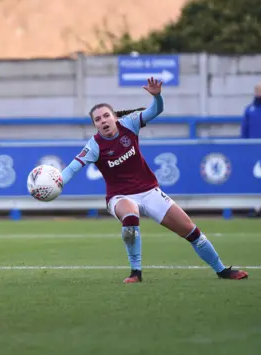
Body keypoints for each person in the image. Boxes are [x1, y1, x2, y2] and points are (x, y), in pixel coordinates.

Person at [58, 77, 248, 283]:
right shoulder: (94, 145)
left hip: (149, 191)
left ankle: (222, 270)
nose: (103, 121)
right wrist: (58, 182)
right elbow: (73, 167)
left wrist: (157, 96)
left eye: (106, 116)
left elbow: (155, 110)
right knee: (130, 218)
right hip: (119, 196)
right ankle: (136, 273)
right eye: (98, 119)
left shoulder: (129, 124)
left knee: (192, 232)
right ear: (94, 125)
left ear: (114, 117)